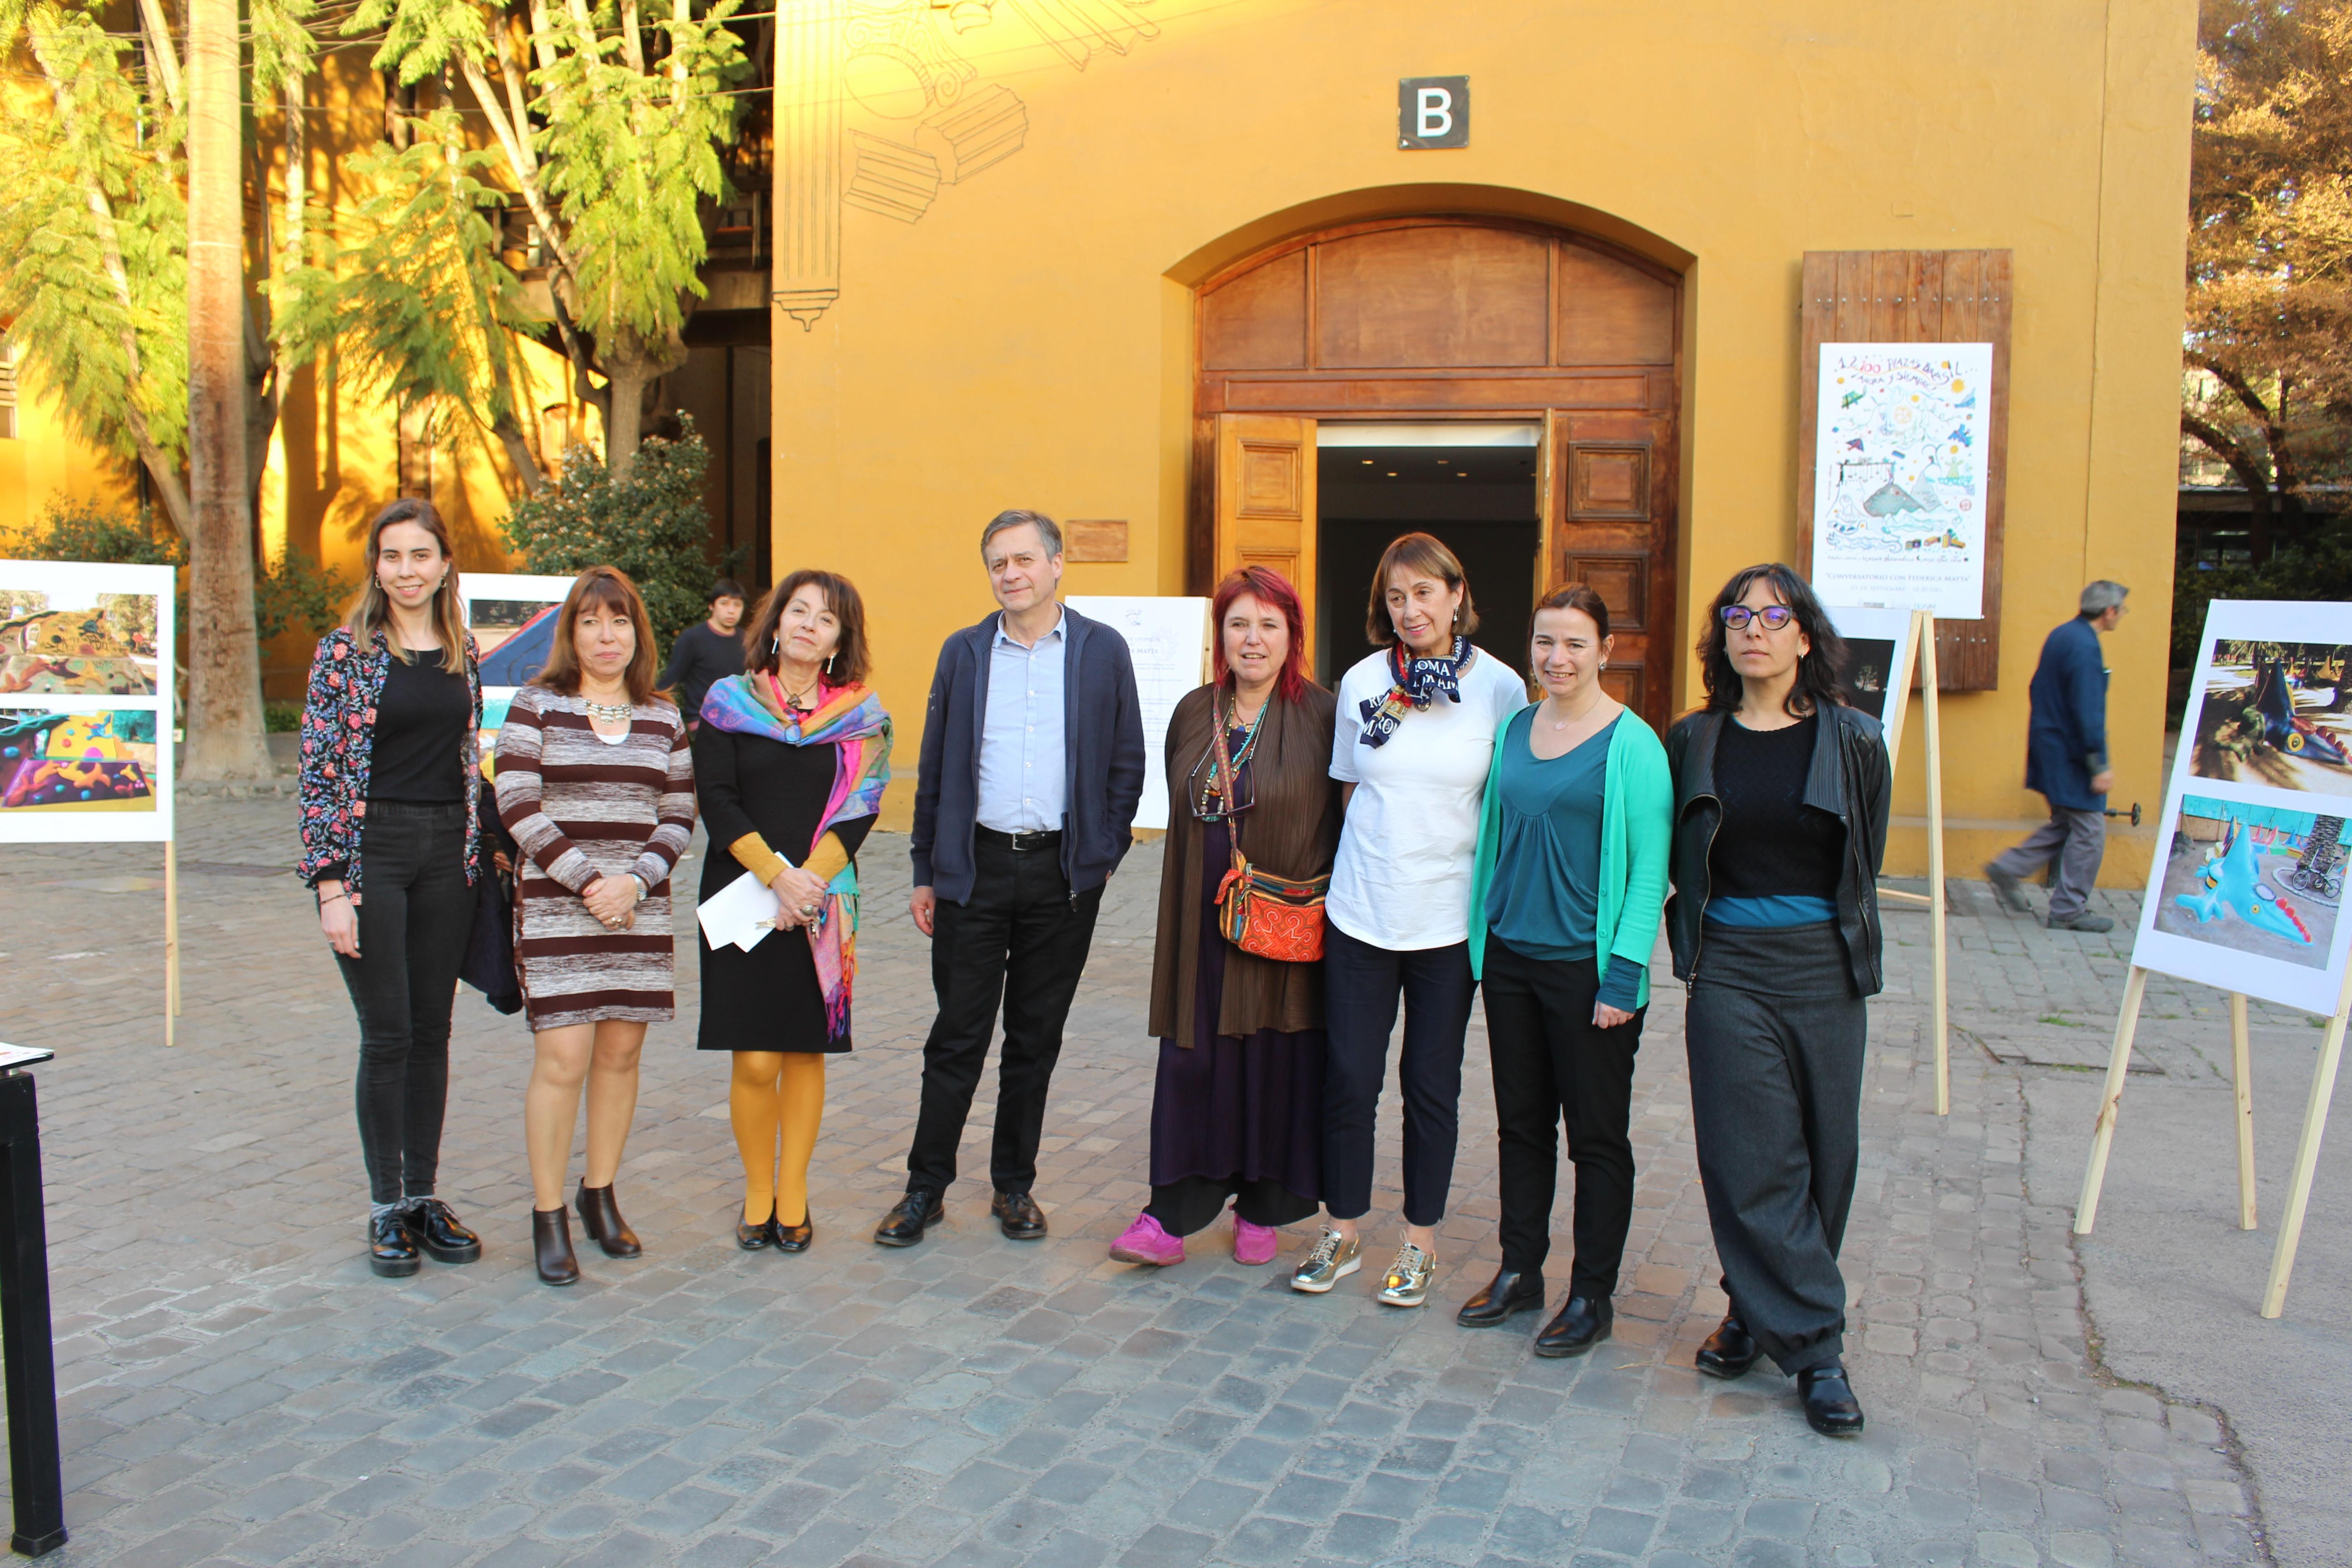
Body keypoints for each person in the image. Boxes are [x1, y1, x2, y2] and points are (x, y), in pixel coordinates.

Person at [1666, 562, 1890, 1437]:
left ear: (1804, 635)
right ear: (1721, 637)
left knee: (1824, 1154)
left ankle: (1752, 1312)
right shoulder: (1695, 739)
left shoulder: (1855, 739)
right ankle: (1816, 1351)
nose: (1752, 627)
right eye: (1736, 614)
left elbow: (1862, 857)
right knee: (1749, 1153)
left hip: (1821, 966)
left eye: (1771, 615)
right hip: (1728, 963)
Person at [880, 510, 1145, 1246]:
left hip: (1062, 876)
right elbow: (933, 769)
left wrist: (1102, 854)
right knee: (956, 1036)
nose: (1011, 574)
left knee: (1035, 1036)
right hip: (975, 869)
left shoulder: (1101, 651)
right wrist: (925, 869)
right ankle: (924, 1187)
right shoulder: (963, 654)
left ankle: (1013, 1187)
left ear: (1056, 565)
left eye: (1024, 559)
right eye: (998, 563)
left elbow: (1127, 762)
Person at [1294, 533, 1529, 1306]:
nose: (1411, 609)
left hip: (1447, 924)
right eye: (1395, 597)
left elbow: (1511, 799)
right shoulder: (1362, 679)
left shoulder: (1499, 688)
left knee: (1429, 1084)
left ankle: (1419, 1243)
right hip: (1362, 914)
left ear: (1456, 595)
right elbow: (1345, 787)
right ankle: (1343, 1229)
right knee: (1348, 1079)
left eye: (1424, 593)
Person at [1460, 584, 1671, 1355]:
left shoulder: (1632, 744)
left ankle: (1591, 1294)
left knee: (1595, 1138)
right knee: (1520, 1128)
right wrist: (1482, 945)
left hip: (1587, 974)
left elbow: (1650, 868)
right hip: (1512, 960)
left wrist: (1623, 977)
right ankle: (1521, 1271)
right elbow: (1491, 840)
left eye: (1575, 643)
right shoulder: (1514, 728)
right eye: (1545, 642)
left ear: (1603, 651)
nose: (1557, 658)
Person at [1111, 566, 1340, 1267]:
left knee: (1276, 1060)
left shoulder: (1324, 716)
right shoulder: (1191, 709)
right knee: (1193, 1061)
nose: (1253, 639)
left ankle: (1262, 1209)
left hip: (1282, 923)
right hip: (1199, 921)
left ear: (1292, 635)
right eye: (1239, 623)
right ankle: (1171, 1216)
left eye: (1269, 624)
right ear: (1222, 636)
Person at [297, 498, 489, 1279]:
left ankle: (422, 1197)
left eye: (420, 555)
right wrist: (330, 887)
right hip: (372, 851)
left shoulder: (461, 647)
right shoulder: (344, 652)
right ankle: (385, 1206)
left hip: (449, 852)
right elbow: (317, 772)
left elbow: (468, 755)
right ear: (375, 566)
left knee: (432, 1030)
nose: (406, 571)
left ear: (444, 562)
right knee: (387, 1035)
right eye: (391, 556)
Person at [495, 567, 697, 1285]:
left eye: (620, 622)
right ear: (571, 633)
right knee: (564, 1060)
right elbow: (516, 801)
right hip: (559, 907)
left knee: (619, 1057)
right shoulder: (536, 705)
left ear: (637, 633)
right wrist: (589, 882)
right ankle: (548, 1214)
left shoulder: (663, 716)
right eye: (591, 622)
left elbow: (679, 812)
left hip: (637, 911)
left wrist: (634, 883)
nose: (606, 636)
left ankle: (600, 1194)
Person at [693, 571, 891, 1253]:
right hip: (741, 889)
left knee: (807, 1054)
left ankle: (795, 1192)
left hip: (822, 899)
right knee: (753, 1060)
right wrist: (776, 877)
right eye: (798, 610)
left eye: (827, 618)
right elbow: (715, 798)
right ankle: (757, 1191)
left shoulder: (862, 716)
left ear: (841, 638)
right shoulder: (727, 702)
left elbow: (861, 807)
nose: (809, 623)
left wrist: (808, 884)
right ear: (775, 623)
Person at [1986, 581, 2128, 932]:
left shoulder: (2062, 635)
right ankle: (2068, 909)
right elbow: (2088, 709)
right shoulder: (2085, 647)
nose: (2123, 615)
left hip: (2052, 746)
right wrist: (2098, 763)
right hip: (2073, 754)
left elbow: (2038, 688)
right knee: (2090, 831)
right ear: (2108, 612)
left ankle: (2010, 867)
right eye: (2122, 609)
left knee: (2067, 823)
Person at [660, 578, 750, 725]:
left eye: (737, 605)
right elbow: (671, 682)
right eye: (724, 603)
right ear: (711, 606)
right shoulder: (693, 639)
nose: (731, 610)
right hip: (703, 721)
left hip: (742, 721)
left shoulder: (747, 640)